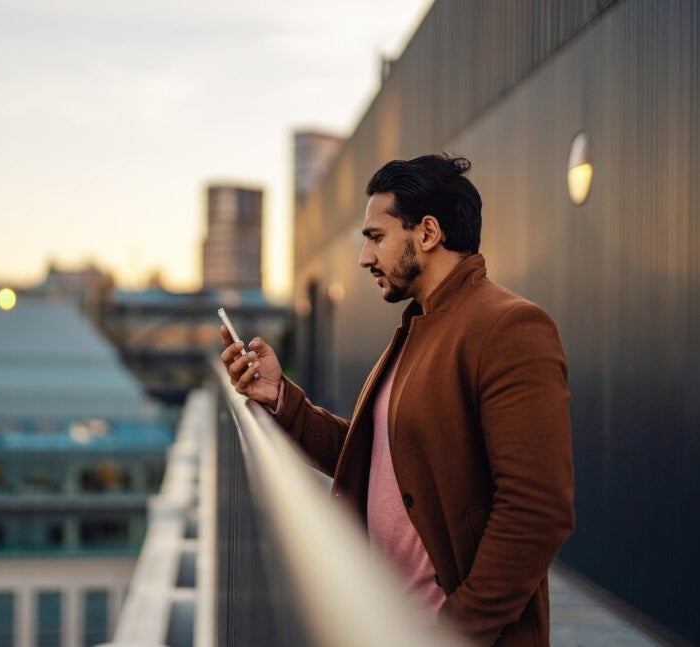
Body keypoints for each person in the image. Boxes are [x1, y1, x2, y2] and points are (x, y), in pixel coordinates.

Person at [220, 154, 574, 646]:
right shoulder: (417, 327)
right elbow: (377, 459)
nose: (366, 258)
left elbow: (538, 509)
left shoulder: (510, 328)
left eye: (376, 237)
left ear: (427, 234)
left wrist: (456, 631)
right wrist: (279, 398)